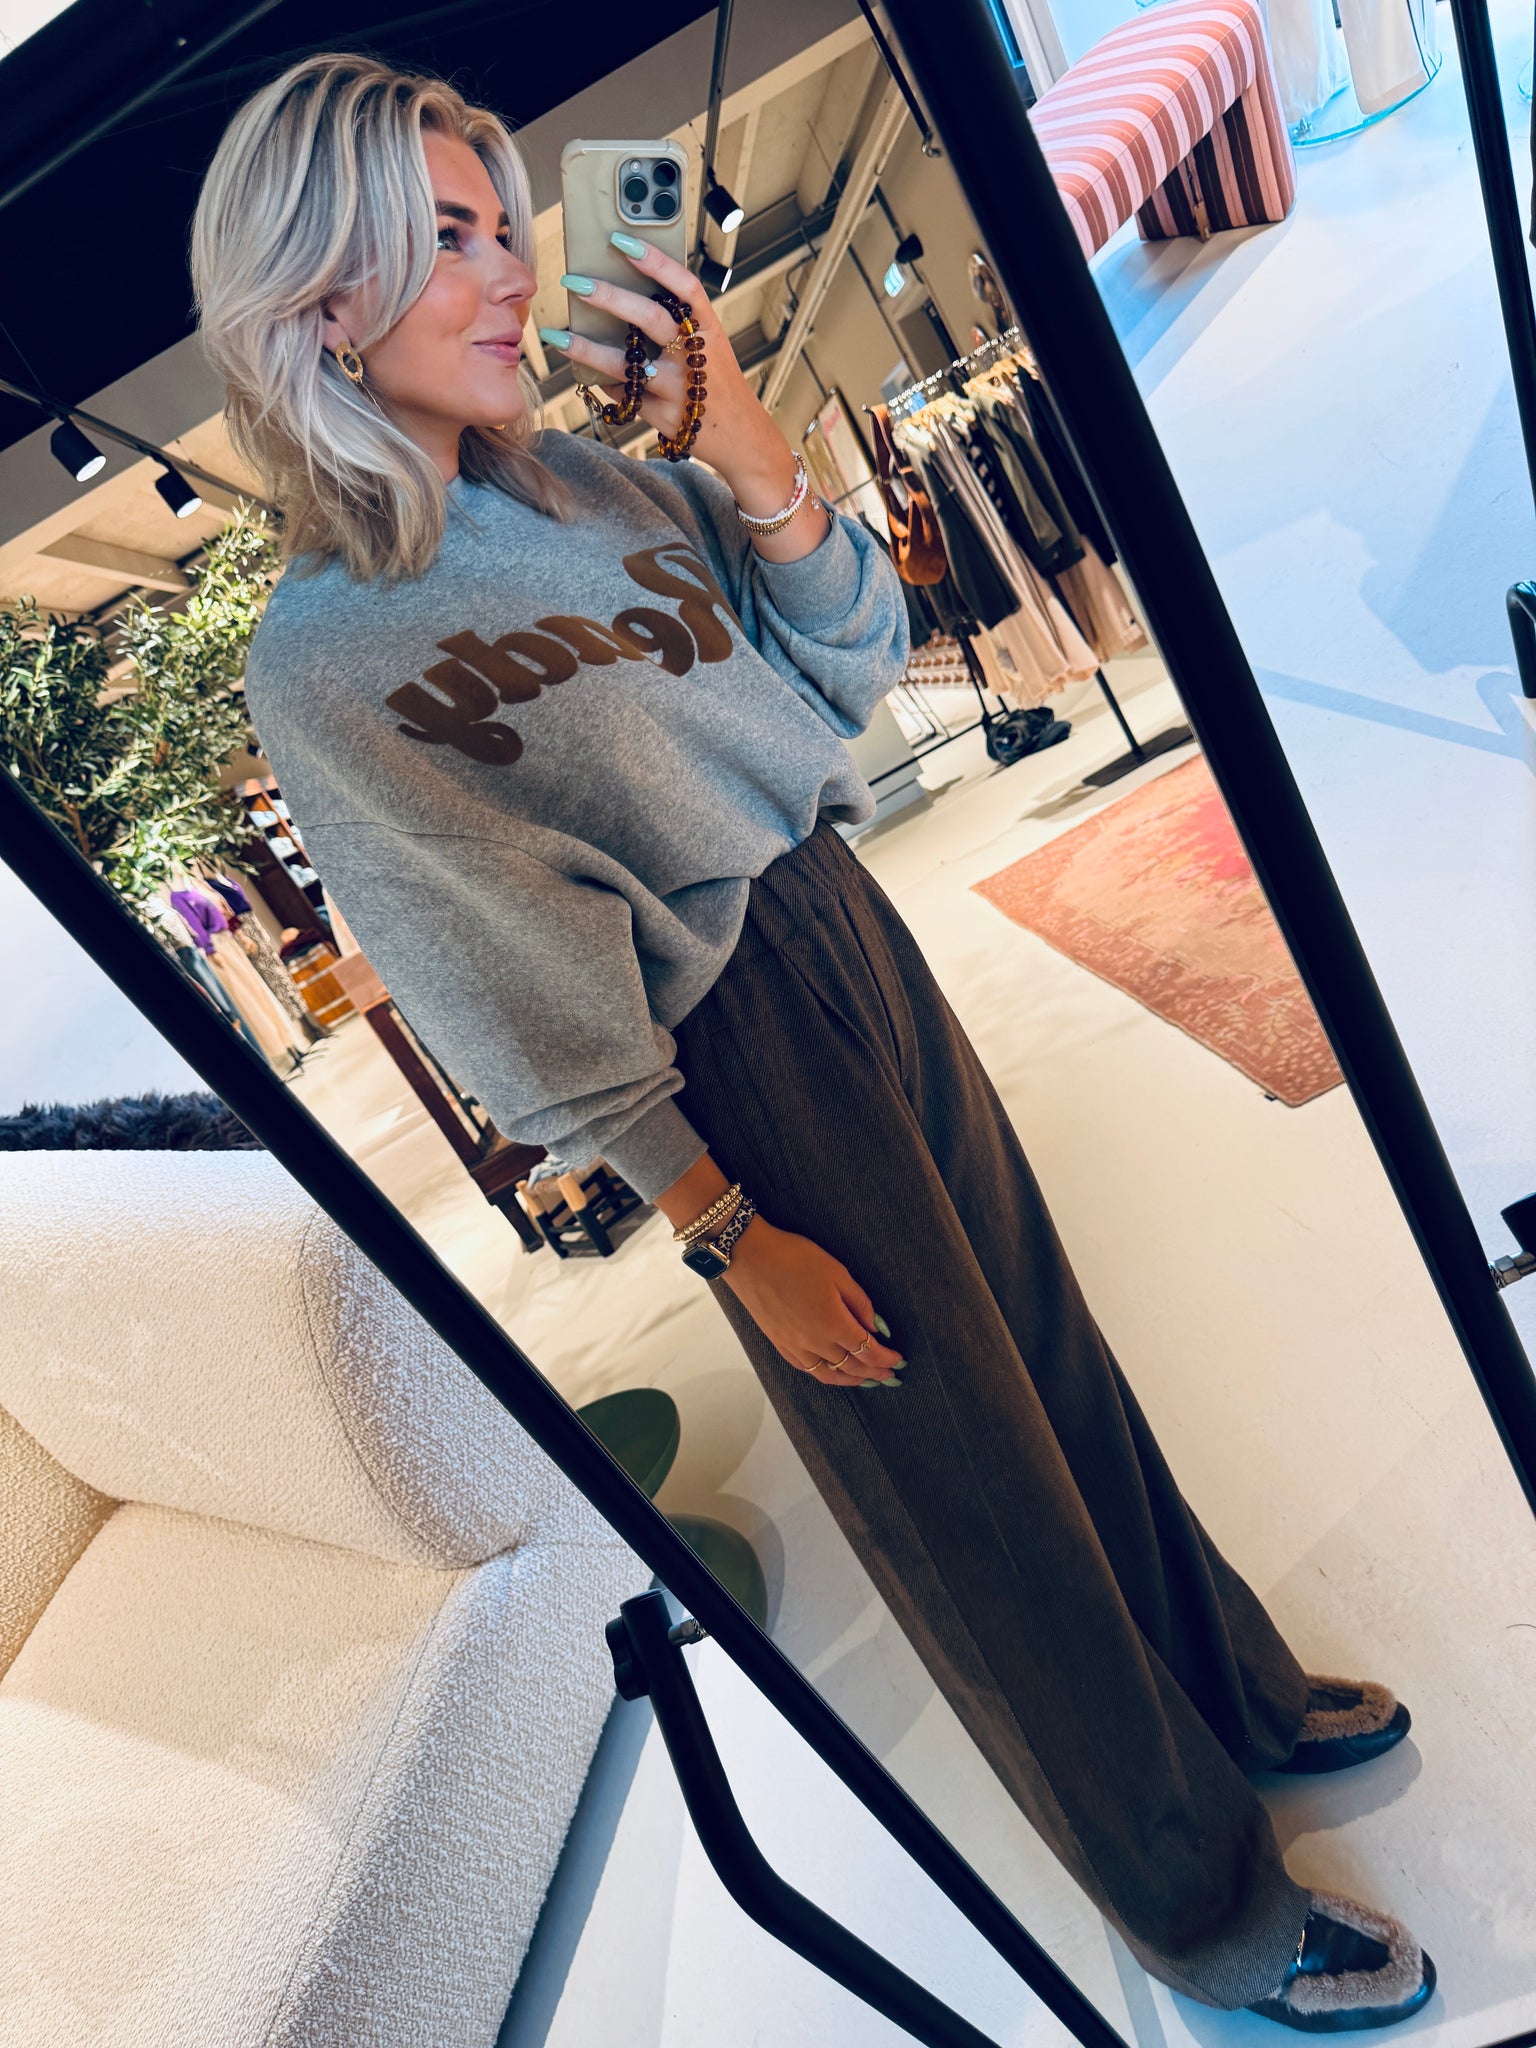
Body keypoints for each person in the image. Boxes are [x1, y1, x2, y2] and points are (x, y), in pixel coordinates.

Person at [192, 53, 1435, 2026]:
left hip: (843, 918)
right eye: (443, 239)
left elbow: (849, 654)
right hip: (725, 1052)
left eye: (506, 224)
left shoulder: (605, 485)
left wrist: (751, 443)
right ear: (321, 299)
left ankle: (1236, 1688)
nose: (510, 271)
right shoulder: (329, 650)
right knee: (963, 1482)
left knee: (1050, 1350)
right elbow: (485, 959)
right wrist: (710, 1219)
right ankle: (1198, 1904)